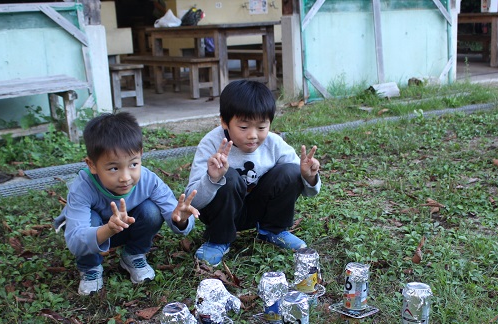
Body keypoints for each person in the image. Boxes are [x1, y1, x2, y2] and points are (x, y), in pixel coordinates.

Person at [54, 112, 199, 295]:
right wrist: (108, 228)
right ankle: (90, 267)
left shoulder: (149, 180)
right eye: (114, 168)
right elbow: (75, 240)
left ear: (140, 156)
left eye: (133, 164)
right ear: (92, 165)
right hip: (97, 231)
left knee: (151, 211)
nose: (125, 177)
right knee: (91, 218)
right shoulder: (82, 187)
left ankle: (133, 254)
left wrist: (181, 219)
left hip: (127, 227)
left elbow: (172, 211)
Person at [185, 80, 321, 266]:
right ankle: (219, 239)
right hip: (223, 211)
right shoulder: (211, 144)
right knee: (228, 177)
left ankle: (273, 230)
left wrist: (308, 176)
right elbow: (194, 201)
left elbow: (309, 191)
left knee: (291, 170)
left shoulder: (274, 143)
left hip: (259, 208)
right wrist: (212, 178)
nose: (253, 135)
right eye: (243, 127)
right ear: (224, 122)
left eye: (261, 127)